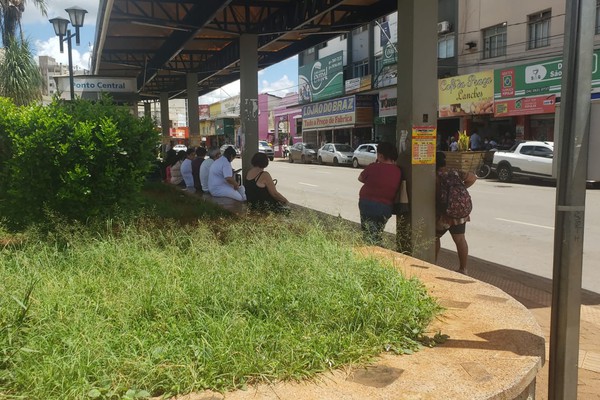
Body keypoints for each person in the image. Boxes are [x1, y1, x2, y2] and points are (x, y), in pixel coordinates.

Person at [435, 151, 477, 275]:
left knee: (434, 237)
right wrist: (461, 188)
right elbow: (473, 178)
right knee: (460, 239)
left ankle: (434, 264)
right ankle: (463, 269)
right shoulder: (455, 172)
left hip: (444, 214)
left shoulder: (436, 175)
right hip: (459, 214)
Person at [357, 142, 401, 245]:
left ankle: (371, 251)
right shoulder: (398, 171)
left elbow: (360, 178)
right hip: (385, 207)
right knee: (377, 232)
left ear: (380, 155)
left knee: (368, 233)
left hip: (366, 204)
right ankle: (374, 247)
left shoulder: (373, 167)